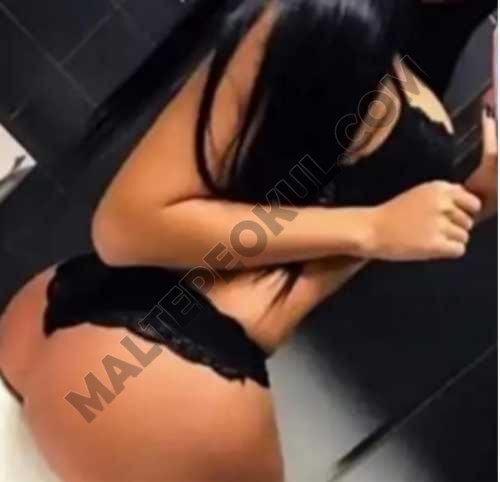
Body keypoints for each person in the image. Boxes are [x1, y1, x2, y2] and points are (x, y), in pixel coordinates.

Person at [0, 1, 496, 481]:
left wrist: (478, 195)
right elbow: (127, 226)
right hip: (157, 379)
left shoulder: (373, 46)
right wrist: (372, 227)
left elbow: (372, 231)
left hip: (92, 334)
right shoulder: (320, 14)